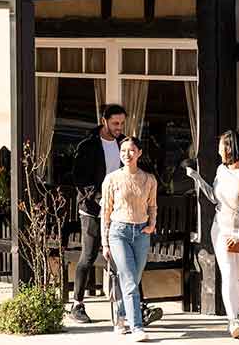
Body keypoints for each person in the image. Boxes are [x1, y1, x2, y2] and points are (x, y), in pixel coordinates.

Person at [186, 130, 239, 339]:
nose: (219, 150)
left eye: (221, 146)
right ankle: (233, 320)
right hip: (221, 228)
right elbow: (214, 198)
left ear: (230, 148)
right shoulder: (221, 170)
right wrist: (197, 178)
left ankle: (236, 314)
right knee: (228, 273)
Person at [68, 104, 125, 324]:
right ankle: (77, 305)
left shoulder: (125, 144)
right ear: (104, 121)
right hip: (92, 209)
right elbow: (80, 179)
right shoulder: (88, 145)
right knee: (89, 255)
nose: (119, 128)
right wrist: (99, 198)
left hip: (119, 210)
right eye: (115, 123)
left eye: (121, 123)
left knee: (125, 257)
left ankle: (135, 306)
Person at [102, 136, 158, 342]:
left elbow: (152, 205)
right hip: (118, 232)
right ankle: (137, 327)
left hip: (141, 233)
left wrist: (152, 224)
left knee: (133, 278)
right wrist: (105, 242)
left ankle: (121, 316)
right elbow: (105, 211)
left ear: (139, 153)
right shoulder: (112, 179)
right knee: (128, 280)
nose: (127, 154)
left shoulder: (149, 179)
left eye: (131, 150)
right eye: (123, 150)